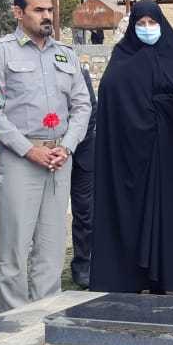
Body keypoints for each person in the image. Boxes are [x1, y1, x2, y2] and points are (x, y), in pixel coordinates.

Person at [90, 1, 173, 296]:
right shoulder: (122, 58)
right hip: (132, 156)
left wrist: (164, 108)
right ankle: (131, 277)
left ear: (162, 24)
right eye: (141, 24)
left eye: (152, 23)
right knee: (132, 214)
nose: (147, 29)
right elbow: (111, 95)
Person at [0, 0, 92, 311]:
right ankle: (14, 318)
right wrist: (29, 150)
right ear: (18, 13)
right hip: (21, 159)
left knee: (51, 245)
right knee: (15, 246)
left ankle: (46, 314)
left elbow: (82, 106)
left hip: (59, 158)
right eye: (39, 10)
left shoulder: (66, 54)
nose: (47, 16)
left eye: (50, 10)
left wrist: (67, 147)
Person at [69, 64, 96, 289]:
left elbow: (90, 110)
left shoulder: (77, 68)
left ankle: (83, 264)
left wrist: (70, 144)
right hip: (45, 152)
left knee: (85, 212)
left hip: (83, 152)